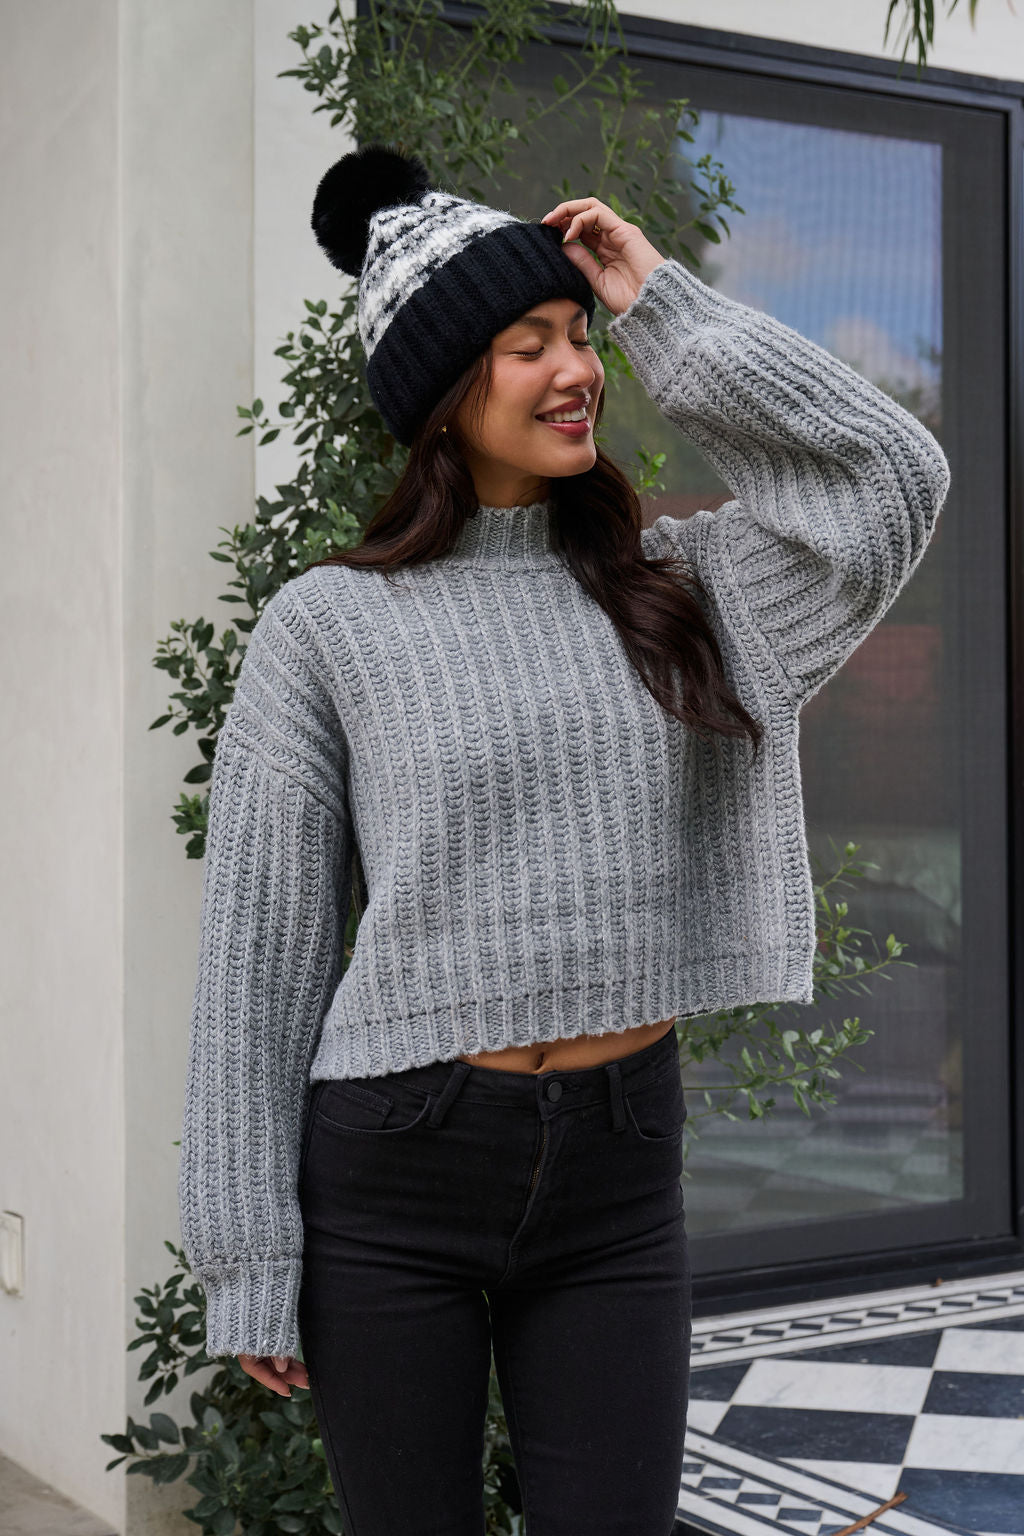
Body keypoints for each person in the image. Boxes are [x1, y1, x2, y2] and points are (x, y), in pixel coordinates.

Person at [176, 141, 950, 1535]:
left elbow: (891, 480)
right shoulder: (328, 626)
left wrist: (663, 305)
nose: (576, 367)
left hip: (617, 1161)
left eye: (579, 335)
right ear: (442, 393)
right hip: (398, 1165)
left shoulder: (683, 584)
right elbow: (259, 958)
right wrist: (245, 1256)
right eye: (528, 344)